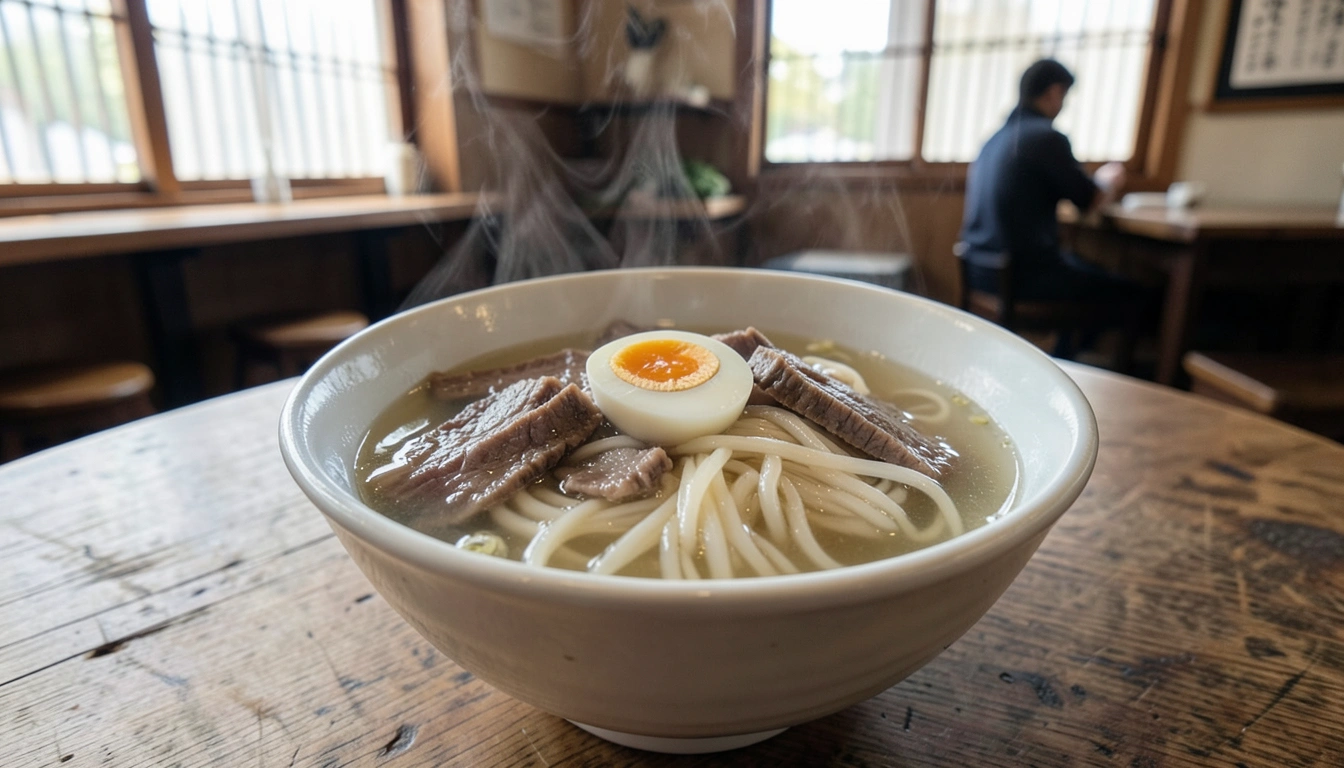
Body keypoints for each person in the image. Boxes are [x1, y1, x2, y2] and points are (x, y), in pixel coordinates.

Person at [959, 59, 1137, 306]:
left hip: (980, 272)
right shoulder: (1046, 138)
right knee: (1134, 295)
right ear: (1054, 92)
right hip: (1025, 277)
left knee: (1086, 271)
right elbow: (1088, 200)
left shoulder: (993, 140)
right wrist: (1107, 181)